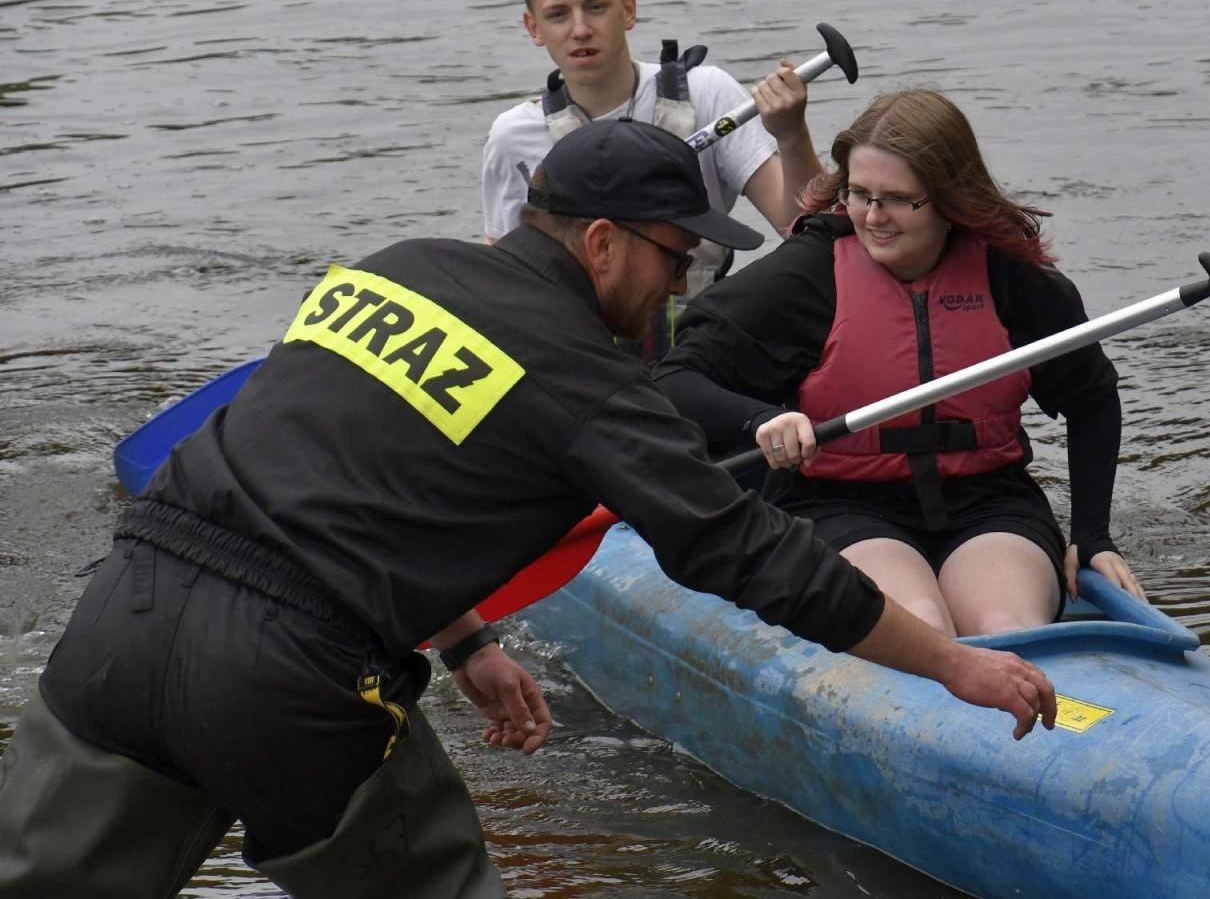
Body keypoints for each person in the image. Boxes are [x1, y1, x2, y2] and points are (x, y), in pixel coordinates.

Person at [0, 119, 1057, 899]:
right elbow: (742, 548)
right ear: (599, 243)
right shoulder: (588, 381)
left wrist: (464, 640)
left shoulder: (392, 269)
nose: (681, 286)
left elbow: (320, 472)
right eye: (673, 257)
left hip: (121, 619)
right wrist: (953, 662)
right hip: (292, 675)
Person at [652, 90, 1145, 641]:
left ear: (949, 198)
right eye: (859, 194)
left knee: (1005, 629)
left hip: (988, 503)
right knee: (920, 633)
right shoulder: (807, 275)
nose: (873, 216)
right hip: (840, 506)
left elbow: (1092, 399)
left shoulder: (1011, 278)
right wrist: (762, 419)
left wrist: (1092, 535)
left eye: (897, 199)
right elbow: (673, 381)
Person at [480, 0, 817, 294]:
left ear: (628, 10)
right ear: (534, 28)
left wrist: (791, 134)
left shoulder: (707, 93)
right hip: (581, 337)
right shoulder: (511, 136)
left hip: (700, 326)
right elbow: (504, 277)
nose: (580, 30)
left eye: (596, 7)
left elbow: (798, 226)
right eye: (558, 14)